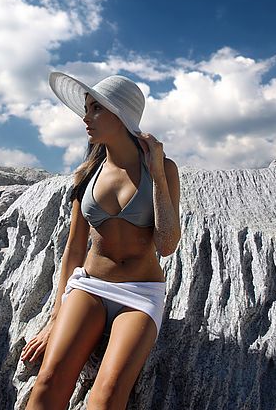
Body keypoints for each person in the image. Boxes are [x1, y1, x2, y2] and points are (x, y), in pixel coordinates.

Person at [22, 72, 181, 410]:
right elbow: (74, 249)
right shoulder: (86, 174)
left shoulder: (163, 168)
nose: (85, 117)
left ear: (120, 115)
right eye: (86, 108)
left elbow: (166, 244)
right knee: (48, 383)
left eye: (95, 108)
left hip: (140, 295)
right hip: (89, 287)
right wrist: (54, 319)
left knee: (107, 396)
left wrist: (155, 173)